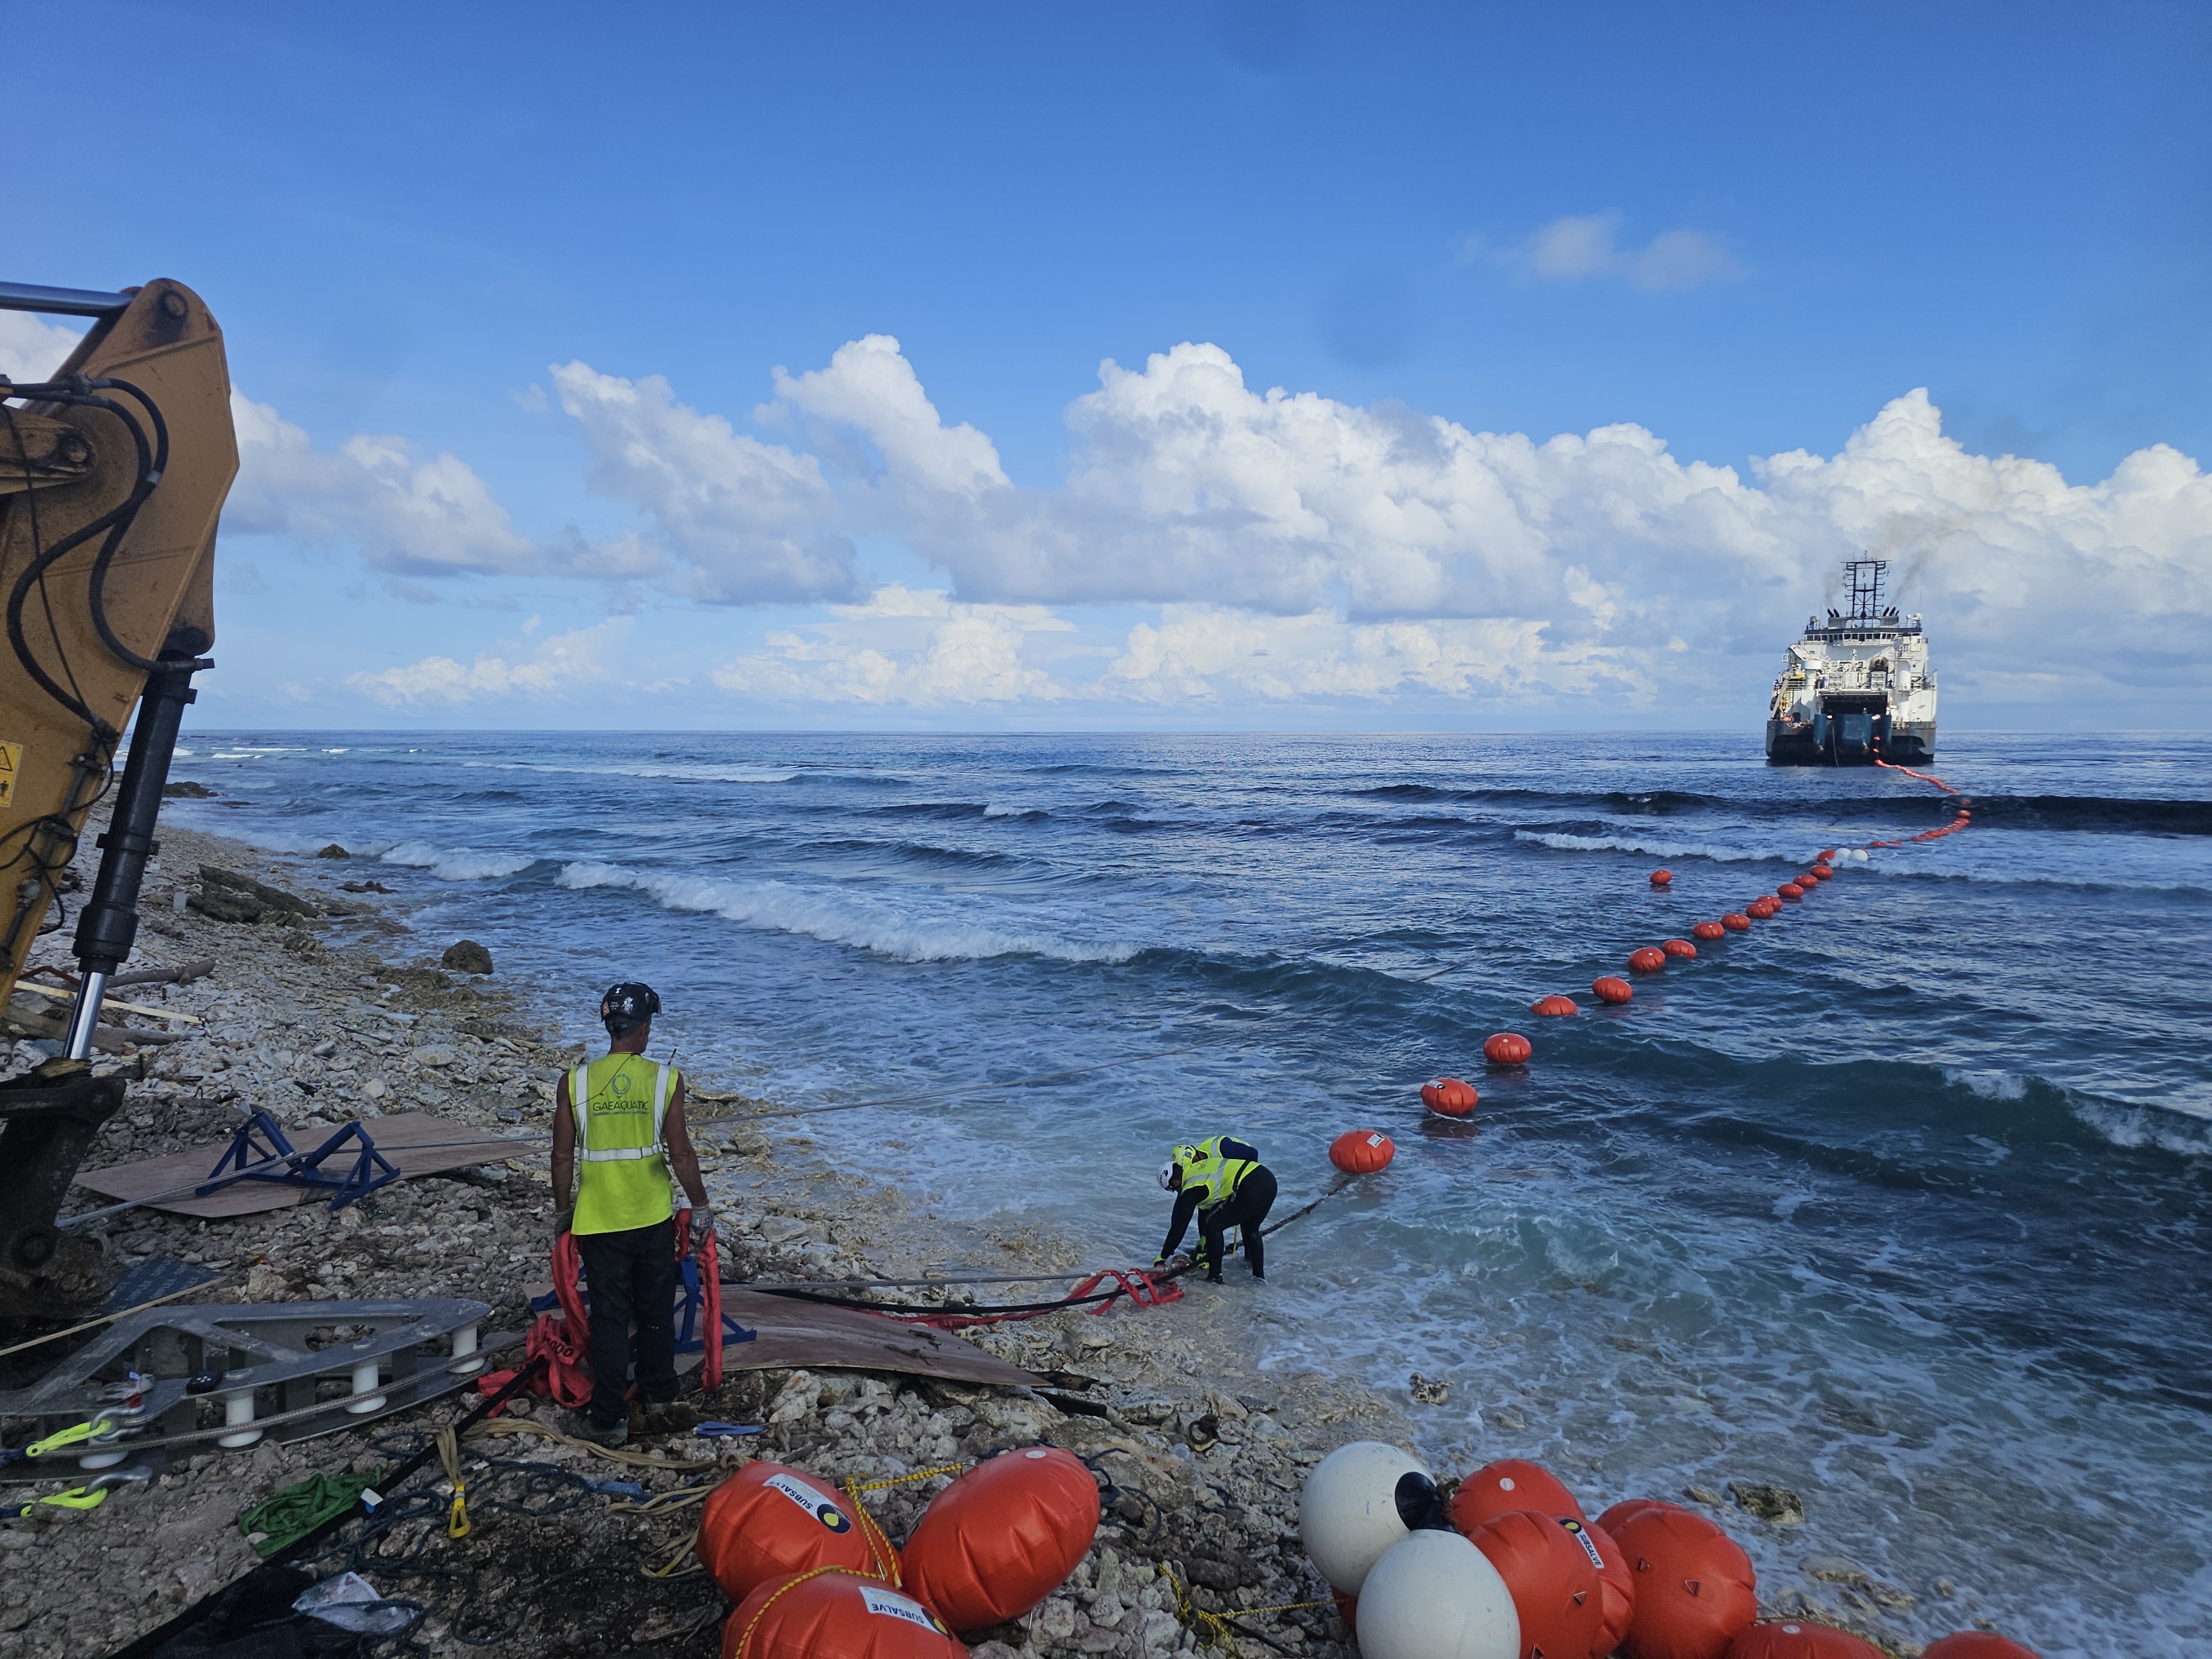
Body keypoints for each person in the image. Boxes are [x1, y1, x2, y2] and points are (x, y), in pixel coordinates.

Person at [549, 981, 712, 1447]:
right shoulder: (664, 1079)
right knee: (656, 1309)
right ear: (642, 1028)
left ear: (609, 1027)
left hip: (600, 1220)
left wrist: (564, 1212)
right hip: (652, 1216)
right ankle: (660, 1397)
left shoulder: (575, 1082)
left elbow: (562, 1157)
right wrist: (700, 1205)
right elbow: (681, 1153)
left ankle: (609, 1418)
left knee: (611, 1319)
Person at [1155, 1135, 1276, 1285]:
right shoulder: (1198, 1169)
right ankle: (1259, 1279)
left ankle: (1215, 1277)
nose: (1177, 1193)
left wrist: (1163, 1256)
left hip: (1250, 1186)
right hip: (1268, 1179)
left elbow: (1180, 1226)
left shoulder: (1191, 1186)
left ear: (1174, 1183)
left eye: (1173, 1189)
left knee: (1213, 1225)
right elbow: (1189, 1211)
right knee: (1251, 1229)